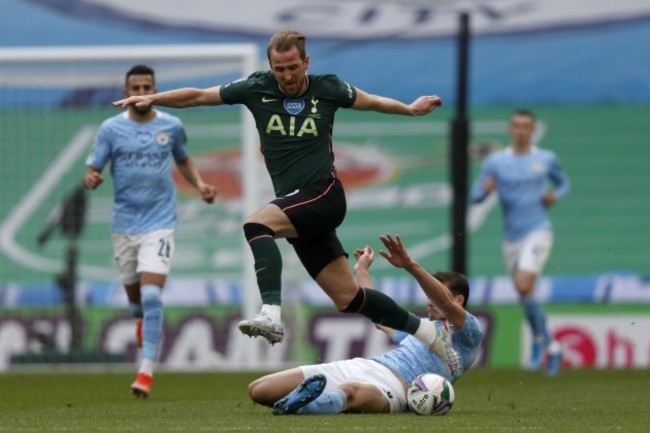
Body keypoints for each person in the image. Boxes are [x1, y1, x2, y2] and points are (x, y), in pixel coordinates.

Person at [112, 30, 449, 356]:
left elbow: (372, 102)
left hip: (324, 194)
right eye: (279, 69)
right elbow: (199, 95)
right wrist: (154, 98)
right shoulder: (257, 87)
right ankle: (425, 331)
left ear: (306, 61)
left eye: (293, 67)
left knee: (257, 224)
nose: (287, 76)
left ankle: (271, 314)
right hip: (299, 208)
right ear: (271, 66)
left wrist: (408, 108)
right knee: (348, 298)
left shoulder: (328, 88)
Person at [85, 64, 217, 397]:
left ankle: (145, 372)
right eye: (136, 88)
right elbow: (93, 168)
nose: (142, 94)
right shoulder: (110, 129)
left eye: (147, 88)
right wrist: (92, 178)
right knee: (135, 302)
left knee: (152, 295)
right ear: (126, 92)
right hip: (124, 225)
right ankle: (141, 320)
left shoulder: (171, 125)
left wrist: (200, 183)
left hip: (159, 223)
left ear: (155, 90)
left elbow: (183, 159)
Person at [247, 234, 483, 415]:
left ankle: (303, 405)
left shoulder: (468, 334)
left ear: (459, 299)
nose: (430, 302)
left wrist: (410, 265)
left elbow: (447, 304)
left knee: (353, 393)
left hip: (398, 389)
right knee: (259, 390)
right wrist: (361, 270)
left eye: (436, 294)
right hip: (365, 366)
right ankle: (304, 404)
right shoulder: (420, 327)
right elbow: (380, 314)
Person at [470, 109, 569, 376]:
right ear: (510, 129)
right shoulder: (496, 162)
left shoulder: (546, 159)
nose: (521, 130)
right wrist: (484, 191)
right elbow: (475, 194)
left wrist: (554, 196)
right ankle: (549, 344)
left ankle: (540, 343)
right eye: (516, 125)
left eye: (526, 126)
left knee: (524, 284)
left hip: (538, 230)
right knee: (525, 294)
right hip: (511, 238)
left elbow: (563, 182)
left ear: (532, 130)